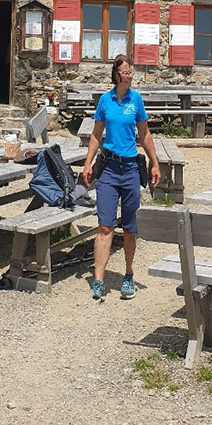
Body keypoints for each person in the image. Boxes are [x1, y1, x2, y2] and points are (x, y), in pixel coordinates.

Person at [81, 54, 160, 302]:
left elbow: (145, 135)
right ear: (116, 75)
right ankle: (99, 279)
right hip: (109, 170)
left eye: (131, 71)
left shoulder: (136, 100)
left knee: (129, 227)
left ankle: (128, 275)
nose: (130, 76)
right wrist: (88, 163)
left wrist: (155, 163)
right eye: (126, 72)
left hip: (130, 171)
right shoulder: (105, 100)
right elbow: (96, 135)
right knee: (105, 226)